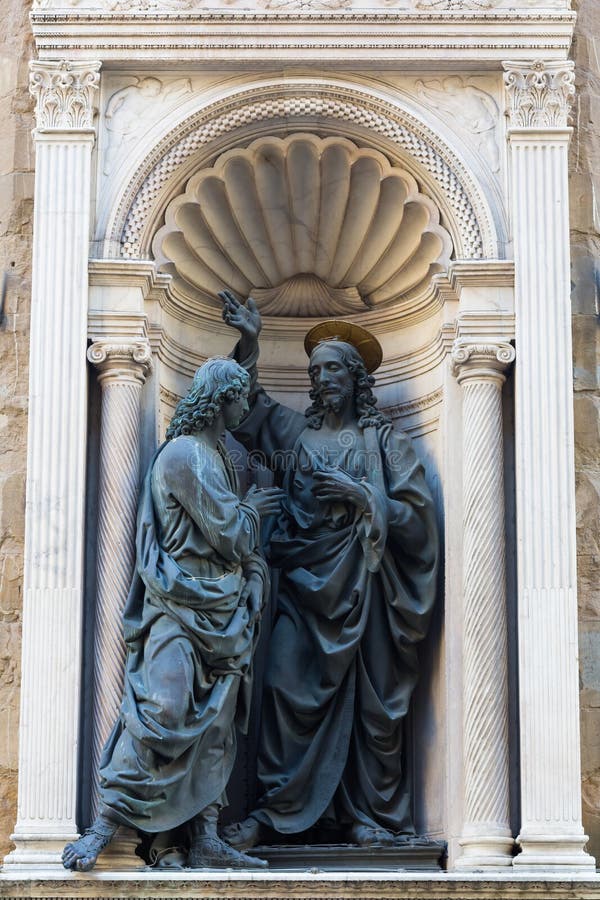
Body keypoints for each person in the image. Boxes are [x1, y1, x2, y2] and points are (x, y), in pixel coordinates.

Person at [219, 292, 439, 849]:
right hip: (302, 588)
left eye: (334, 367)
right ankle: (273, 810)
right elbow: (242, 412)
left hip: (364, 588)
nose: (322, 378)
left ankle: (367, 816)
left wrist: (364, 497)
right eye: (316, 370)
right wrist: (250, 342)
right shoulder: (294, 437)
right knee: (282, 687)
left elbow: (416, 515)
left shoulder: (385, 443)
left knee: (372, 706)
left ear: (357, 377)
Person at [62, 357, 283, 872]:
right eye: (239, 396)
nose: (245, 405)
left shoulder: (220, 457)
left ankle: (203, 834)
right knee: (162, 707)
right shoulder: (184, 455)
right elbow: (228, 531)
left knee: (216, 726)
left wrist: (251, 577)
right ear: (219, 400)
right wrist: (254, 509)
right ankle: (104, 825)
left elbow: (235, 543)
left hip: (223, 611)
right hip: (178, 603)